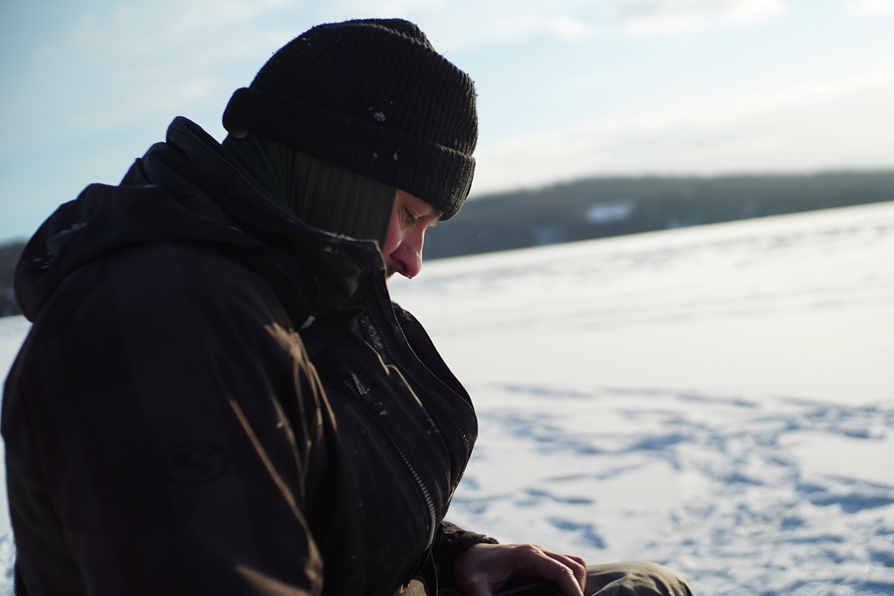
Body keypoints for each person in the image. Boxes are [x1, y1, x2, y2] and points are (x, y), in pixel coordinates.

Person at [2, 18, 692, 596]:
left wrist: (449, 560)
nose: (412, 258)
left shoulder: (287, 295)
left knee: (640, 584)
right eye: (408, 213)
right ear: (339, 173)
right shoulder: (165, 322)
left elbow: (306, 501)